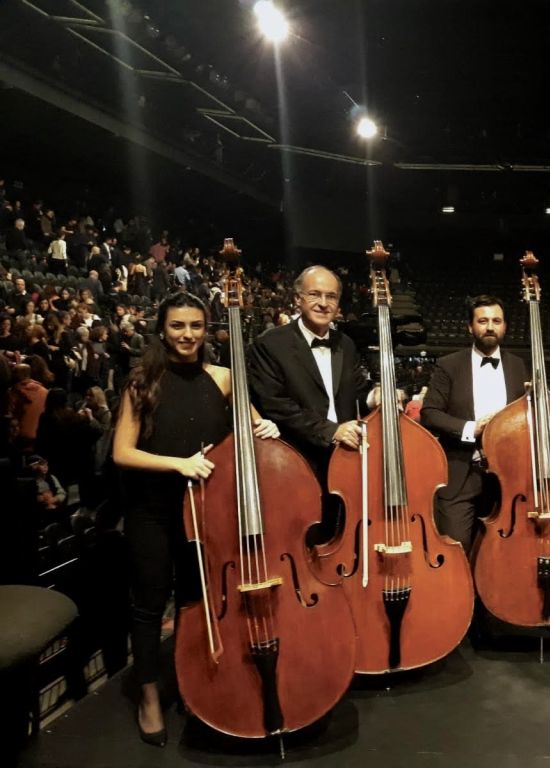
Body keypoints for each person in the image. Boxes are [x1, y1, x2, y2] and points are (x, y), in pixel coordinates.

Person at [112, 292, 278, 746]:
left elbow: (252, 425)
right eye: (177, 326)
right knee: (149, 605)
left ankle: (191, 682)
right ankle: (149, 696)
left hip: (204, 509)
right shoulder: (143, 381)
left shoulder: (224, 377)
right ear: (162, 330)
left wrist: (265, 426)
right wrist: (179, 464)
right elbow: (122, 452)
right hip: (153, 510)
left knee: (195, 600)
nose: (187, 335)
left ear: (207, 330)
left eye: (196, 326)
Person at [248, 265, 373, 541]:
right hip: (295, 461)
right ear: (298, 299)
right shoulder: (270, 344)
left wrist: (375, 397)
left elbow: (355, 392)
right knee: (299, 540)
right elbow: (276, 405)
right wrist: (332, 431)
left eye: (331, 296)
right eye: (314, 294)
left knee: (340, 537)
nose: (323, 303)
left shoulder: (346, 344)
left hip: (344, 460)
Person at [420, 295, 527, 553]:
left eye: (496, 321)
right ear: (470, 327)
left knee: (501, 553)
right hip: (461, 473)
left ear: (505, 327)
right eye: (483, 321)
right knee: (456, 551)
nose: (490, 327)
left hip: (507, 477)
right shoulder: (449, 365)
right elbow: (430, 413)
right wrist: (472, 428)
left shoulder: (518, 365)